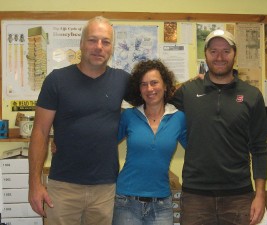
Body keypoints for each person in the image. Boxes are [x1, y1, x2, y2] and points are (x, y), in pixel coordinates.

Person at [28, 16, 130, 225]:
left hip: (105, 189)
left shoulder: (122, 81)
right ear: (81, 43)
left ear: (111, 47)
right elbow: (39, 132)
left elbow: (156, 96)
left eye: (105, 41)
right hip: (62, 187)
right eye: (93, 40)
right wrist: (35, 184)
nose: (99, 47)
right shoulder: (57, 80)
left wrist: (199, 82)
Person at [171, 29, 267, 225]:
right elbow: (154, 98)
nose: (220, 57)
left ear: (235, 54)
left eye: (226, 51)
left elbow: (259, 148)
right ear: (205, 54)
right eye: (213, 51)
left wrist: (260, 195)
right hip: (195, 196)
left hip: (239, 196)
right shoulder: (188, 92)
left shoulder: (252, 95)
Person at [112, 59, 187, 225]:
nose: (149, 89)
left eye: (154, 83)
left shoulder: (178, 118)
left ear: (166, 85)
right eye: (144, 84)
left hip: (161, 204)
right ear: (139, 90)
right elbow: (103, 143)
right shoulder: (129, 116)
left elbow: (198, 148)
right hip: (126, 201)